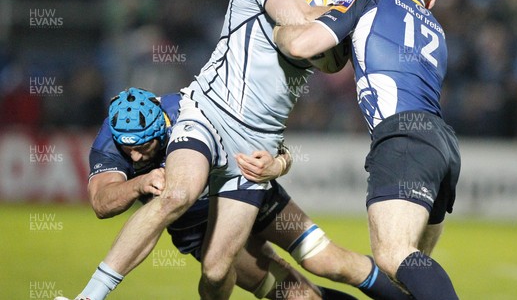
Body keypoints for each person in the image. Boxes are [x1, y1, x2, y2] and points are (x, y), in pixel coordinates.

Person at [62, 0, 402, 300]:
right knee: (178, 193)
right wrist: (365, 2)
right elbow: (294, 18)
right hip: (208, 113)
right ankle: (89, 297)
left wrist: (385, 6)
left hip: (255, 147)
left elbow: (342, 61)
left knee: (222, 268)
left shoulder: (342, 0)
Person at [273, 0, 461, 299]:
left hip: (403, 139)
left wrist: (280, 30)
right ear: (432, 0)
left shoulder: (370, 1)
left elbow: (302, 46)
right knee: (408, 278)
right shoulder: (436, 29)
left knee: (394, 256)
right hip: (442, 146)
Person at [56, 87, 357, 300]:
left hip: (246, 193)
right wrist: (139, 183)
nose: (134, 157)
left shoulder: (192, 108)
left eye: (143, 147)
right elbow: (100, 202)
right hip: (199, 230)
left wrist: (279, 163)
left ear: (162, 129)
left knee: (329, 263)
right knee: (295, 295)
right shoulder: (110, 140)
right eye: (128, 149)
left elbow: (276, 147)